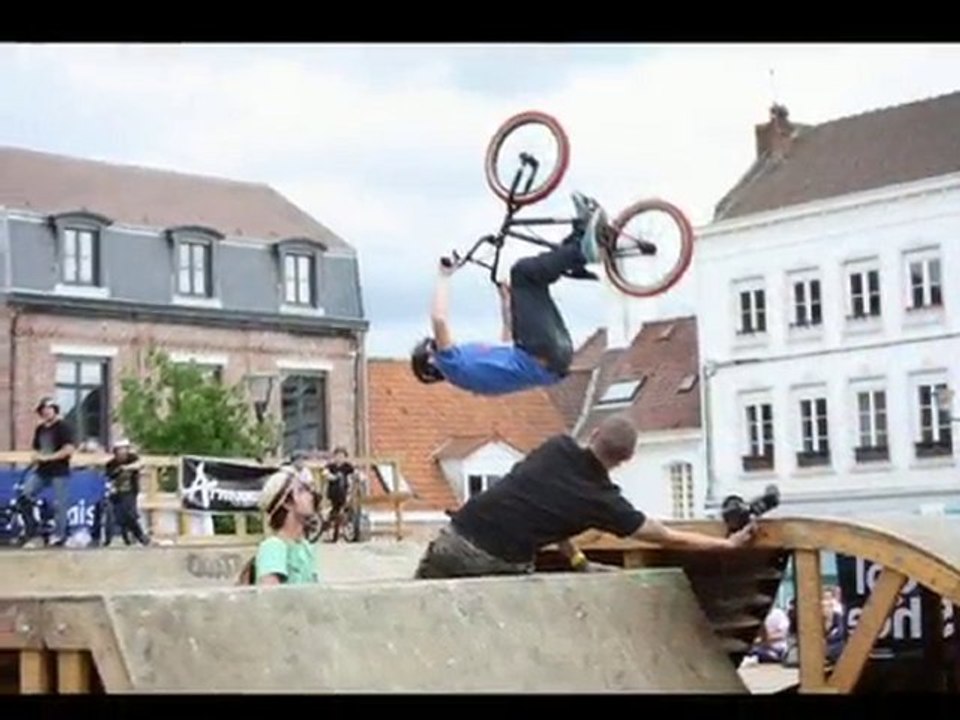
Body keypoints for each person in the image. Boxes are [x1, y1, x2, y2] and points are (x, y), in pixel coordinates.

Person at [413, 414, 757, 580]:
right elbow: (665, 537)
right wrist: (727, 545)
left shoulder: (555, 448)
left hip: (455, 538)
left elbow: (542, 502)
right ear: (626, 460)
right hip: (496, 561)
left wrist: (577, 560)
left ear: (593, 434)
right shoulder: (603, 501)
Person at [410, 192, 616, 395]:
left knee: (533, 282)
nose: (440, 342)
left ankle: (579, 240)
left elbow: (508, 341)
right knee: (523, 273)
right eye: (433, 344)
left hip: (553, 357)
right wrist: (443, 277)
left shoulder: (465, 367)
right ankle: (581, 251)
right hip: (540, 355)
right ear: (431, 361)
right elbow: (439, 319)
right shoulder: (450, 365)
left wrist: (506, 301)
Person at [248, 466, 320, 586]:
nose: (310, 496)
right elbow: (271, 600)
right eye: (301, 491)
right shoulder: (273, 547)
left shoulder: (305, 547)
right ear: (287, 503)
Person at [18, 397, 76, 547]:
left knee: (60, 503)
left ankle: (59, 535)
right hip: (42, 471)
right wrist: (36, 457)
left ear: (55, 410)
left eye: (49, 409)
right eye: (43, 409)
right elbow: (36, 449)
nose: (46, 412)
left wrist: (49, 457)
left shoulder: (64, 427)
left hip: (59, 471)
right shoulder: (40, 429)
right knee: (25, 494)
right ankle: (32, 529)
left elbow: (69, 449)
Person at [101, 439, 150, 546]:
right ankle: (125, 538)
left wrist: (126, 468)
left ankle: (140, 536)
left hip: (131, 491)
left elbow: (139, 464)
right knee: (119, 517)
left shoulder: (132, 458)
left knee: (130, 514)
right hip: (117, 493)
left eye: (124, 450)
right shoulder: (111, 464)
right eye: (120, 450)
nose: (122, 453)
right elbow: (109, 478)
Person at [322, 446, 355, 542]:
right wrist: (331, 476)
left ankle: (345, 527)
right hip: (333, 493)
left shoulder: (347, 466)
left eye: (342, 456)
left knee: (344, 510)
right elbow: (324, 472)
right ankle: (330, 526)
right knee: (334, 511)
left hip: (345, 492)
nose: (340, 458)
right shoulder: (331, 466)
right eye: (338, 456)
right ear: (334, 456)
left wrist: (359, 476)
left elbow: (354, 473)